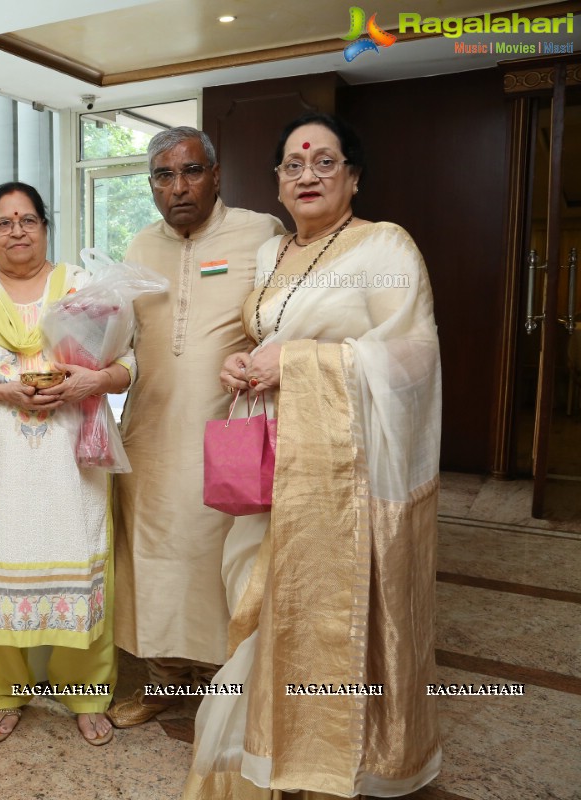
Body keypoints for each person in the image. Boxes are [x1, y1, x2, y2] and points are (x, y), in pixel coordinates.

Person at [184, 112, 442, 798]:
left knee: (320, 610)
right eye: (294, 166)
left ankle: (326, 753)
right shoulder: (272, 255)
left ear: (353, 177)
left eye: (325, 163)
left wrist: (297, 364)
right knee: (259, 599)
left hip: (339, 473)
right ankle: (260, 747)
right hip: (269, 453)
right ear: (276, 182)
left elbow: (413, 358)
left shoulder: (384, 247)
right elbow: (267, 334)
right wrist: (245, 364)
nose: (308, 176)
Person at [0, 181, 131, 746]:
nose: (16, 231)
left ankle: (88, 696)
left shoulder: (81, 288)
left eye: (27, 220)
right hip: (0, 472)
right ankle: (2, 693)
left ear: (45, 226)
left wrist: (95, 379)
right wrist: (2, 392)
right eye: (3, 222)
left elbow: (127, 363)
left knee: (84, 576)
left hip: (72, 469)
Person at [108, 127, 285, 728]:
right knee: (152, 556)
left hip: (225, 433)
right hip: (149, 432)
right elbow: (121, 339)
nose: (178, 187)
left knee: (218, 558)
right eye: (163, 175)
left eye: (190, 172)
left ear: (216, 174)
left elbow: (285, 319)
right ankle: (163, 680)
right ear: (151, 185)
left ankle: (221, 681)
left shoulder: (261, 234)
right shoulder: (139, 247)